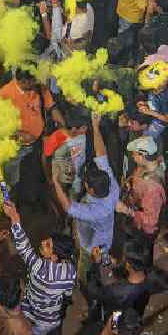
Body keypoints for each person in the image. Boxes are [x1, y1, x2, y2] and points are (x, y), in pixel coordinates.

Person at [2, 200, 75, 335]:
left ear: (55, 256)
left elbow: (24, 247)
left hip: (33, 318)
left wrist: (14, 218)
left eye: (48, 245)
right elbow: (67, 293)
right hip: (53, 319)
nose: (43, 243)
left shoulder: (40, 269)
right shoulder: (70, 270)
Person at [50, 114, 119, 273]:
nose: (84, 185)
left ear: (92, 191)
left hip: (93, 244)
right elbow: (102, 153)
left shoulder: (96, 211)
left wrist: (55, 181)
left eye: (86, 185)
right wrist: (95, 126)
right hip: (94, 230)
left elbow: (67, 206)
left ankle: (86, 280)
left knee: (86, 263)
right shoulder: (109, 182)